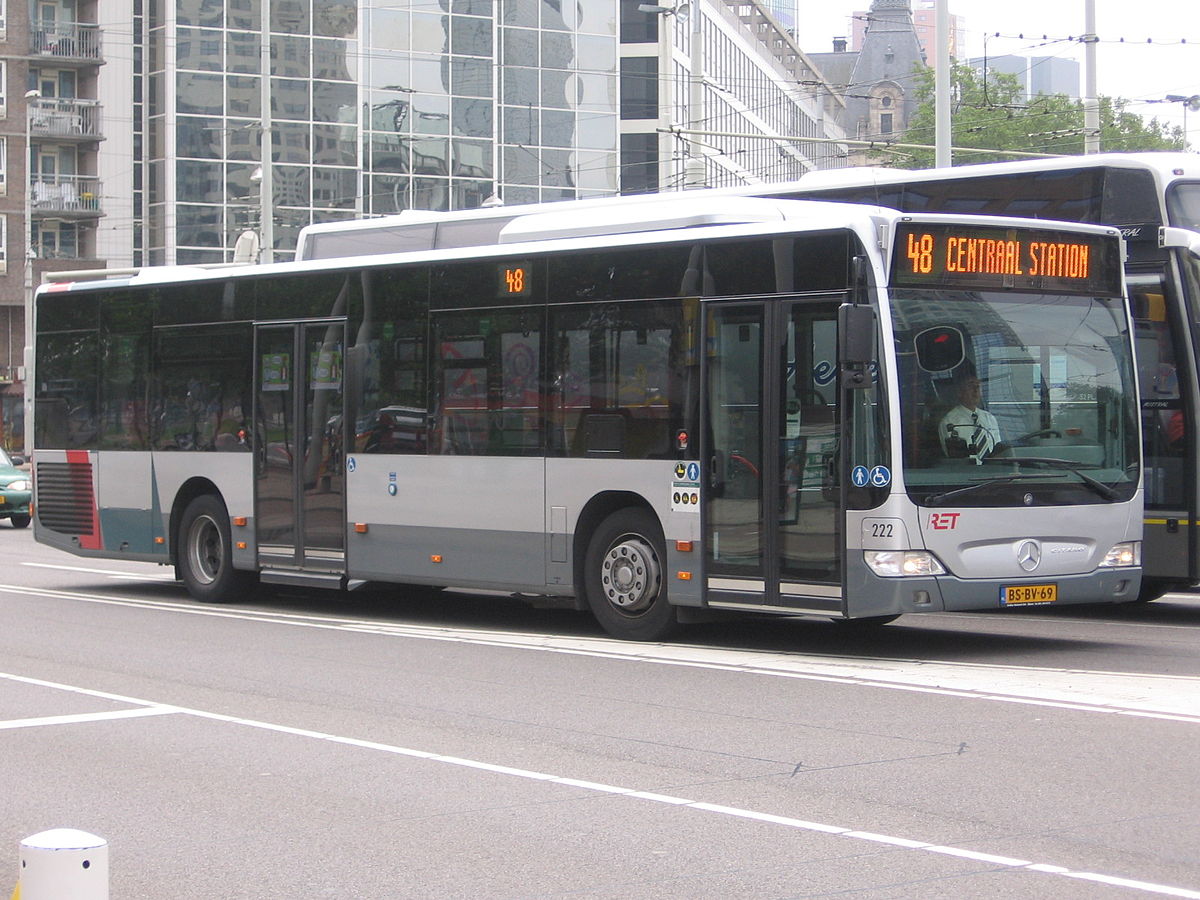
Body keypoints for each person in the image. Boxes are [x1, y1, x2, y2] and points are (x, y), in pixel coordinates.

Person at [939, 368, 1001, 458]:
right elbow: (954, 458)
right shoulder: (949, 422)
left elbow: (999, 449)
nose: (976, 390)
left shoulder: (989, 418)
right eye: (971, 386)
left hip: (993, 469)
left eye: (978, 386)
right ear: (960, 392)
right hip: (967, 471)